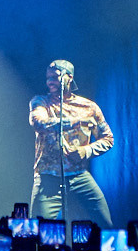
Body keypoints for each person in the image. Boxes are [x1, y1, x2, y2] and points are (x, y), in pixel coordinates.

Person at [27, 59, 113, 227]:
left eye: (55, 77)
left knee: (105, 224)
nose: (50, 82)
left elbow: (108, 138)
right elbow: (38, 122)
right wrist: (72, 122)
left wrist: (86, 151)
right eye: (48, 78)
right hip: (48, 177)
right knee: (39, 229)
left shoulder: (89, 107)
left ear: (69, 77)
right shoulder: (40, 102)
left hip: (79, 175)